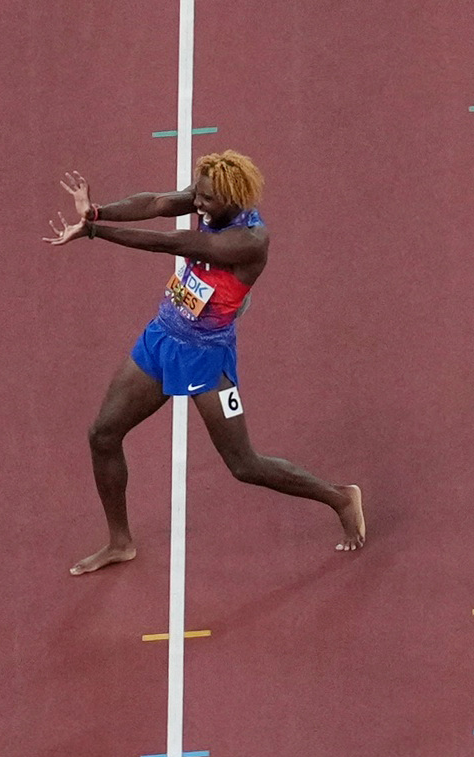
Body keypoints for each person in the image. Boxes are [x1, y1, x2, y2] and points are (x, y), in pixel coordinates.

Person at [42, 151, 365, 576]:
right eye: (198, 194)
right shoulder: (206, 196)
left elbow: (172, 242)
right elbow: (157, 203)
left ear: (231, 199)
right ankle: (120, 542)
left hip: (206, 357)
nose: (198, 204)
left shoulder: (249, 241)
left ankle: (341, 497)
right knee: (103, 434)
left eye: (207, 200)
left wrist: (94, 232)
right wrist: (98, 210)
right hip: (162, 336)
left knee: (243, 465)